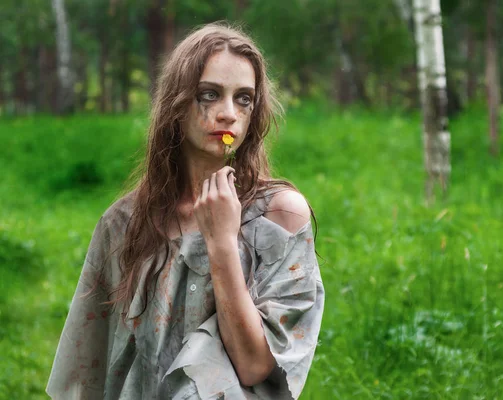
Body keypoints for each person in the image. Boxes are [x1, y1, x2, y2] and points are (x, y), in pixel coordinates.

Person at [46, 22, 325, 400]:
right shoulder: (124, 224)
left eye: (244, 98)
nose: (228, 114)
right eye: (209, 94)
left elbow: (255, 366)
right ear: (176, 103)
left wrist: (222, 242)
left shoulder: (278, 217)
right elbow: (91, 377)